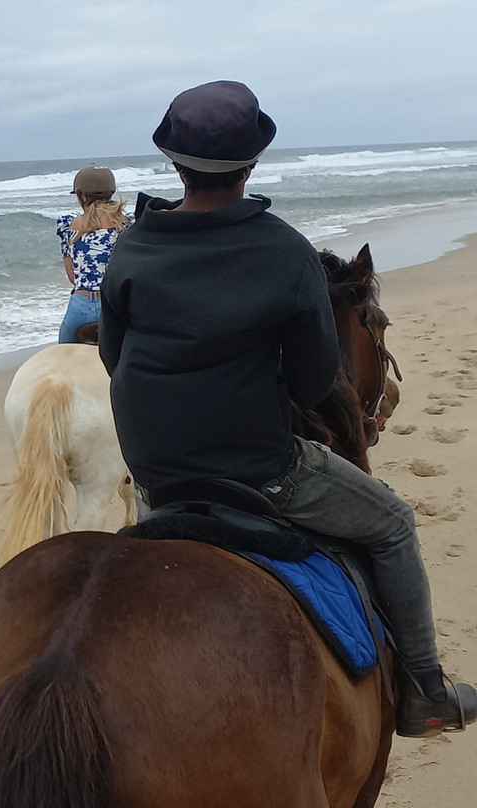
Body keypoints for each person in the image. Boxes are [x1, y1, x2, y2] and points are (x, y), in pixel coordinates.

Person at [97, 80, 476, 738]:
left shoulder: (133, 247)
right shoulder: (285, 251)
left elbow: (113, 355)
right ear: (253, 163)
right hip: (260, 469)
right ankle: (425, 693)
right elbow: (309, 384)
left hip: (158, 472)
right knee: (391, 523)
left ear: (173, 162)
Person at [55, 164, 130, 343]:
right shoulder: (128, 224)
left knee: (61, 356)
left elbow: (73, 277)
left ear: (81, 195)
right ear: (111, 192)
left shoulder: (68, 226)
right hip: (115, 306)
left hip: (80, 307)